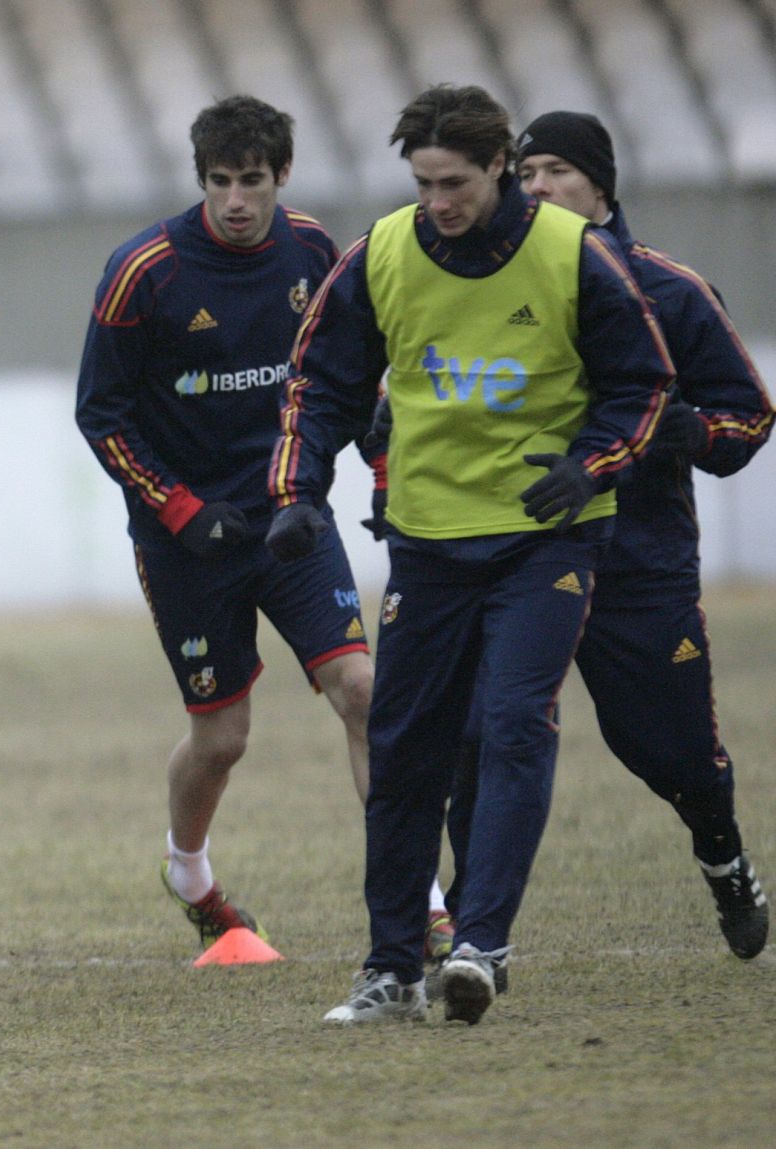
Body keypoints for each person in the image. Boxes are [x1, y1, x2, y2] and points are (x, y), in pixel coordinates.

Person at [268, 84, 673, 1026]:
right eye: (423, 183)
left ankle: (481, 944)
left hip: (549, 540)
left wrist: (590, 466)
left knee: (513, 722)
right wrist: (293, 494)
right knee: (408, 746)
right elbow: (316, 382)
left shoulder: (576, 256)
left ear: (500, 168)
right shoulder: (384, 252)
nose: (438, 203)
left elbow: (646, 387)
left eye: (455, 183)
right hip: (429, 543)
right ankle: (391, 966)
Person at [74, 94, 376, 955]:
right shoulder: (145, 271)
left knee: (361, 691)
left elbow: (339, 375)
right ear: (200, 180)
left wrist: (363, 443)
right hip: (188, 541)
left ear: (283, 176)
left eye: (252, 181)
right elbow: (100, 415)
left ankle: (416, 900)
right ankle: (189, 868)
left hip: (291, 518)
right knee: (223, 737)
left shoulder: (316, 251)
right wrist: (181, 510)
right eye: (219, 182)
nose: (236, 200)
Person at [492, 112, 767, 955]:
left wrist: (694, 435)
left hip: (638, 561)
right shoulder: (485, 286)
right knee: (481, 733)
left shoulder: (672, 291)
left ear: (602, 187)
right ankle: (465, 928)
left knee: (666, 749)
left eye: (555, 171)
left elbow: (747, 416)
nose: (535, 186)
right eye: (524, 171)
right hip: (513, 553)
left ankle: (722, 854)